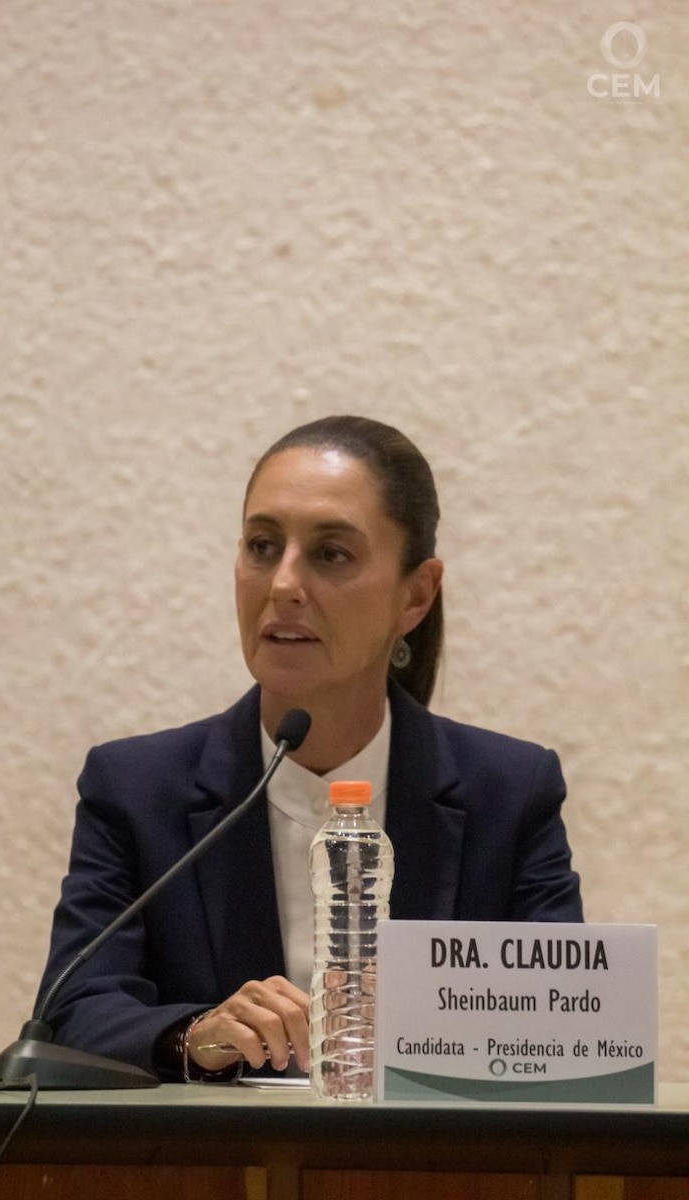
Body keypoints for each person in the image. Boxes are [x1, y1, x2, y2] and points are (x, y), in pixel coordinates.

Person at [35, 415, 582, 1083]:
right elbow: (69, 1012)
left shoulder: (511, 793)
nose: (283, 585)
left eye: (330, 554)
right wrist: (193, 1034)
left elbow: (558, 1028)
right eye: (262, 546)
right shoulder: (136, 789)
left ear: (416, 594)